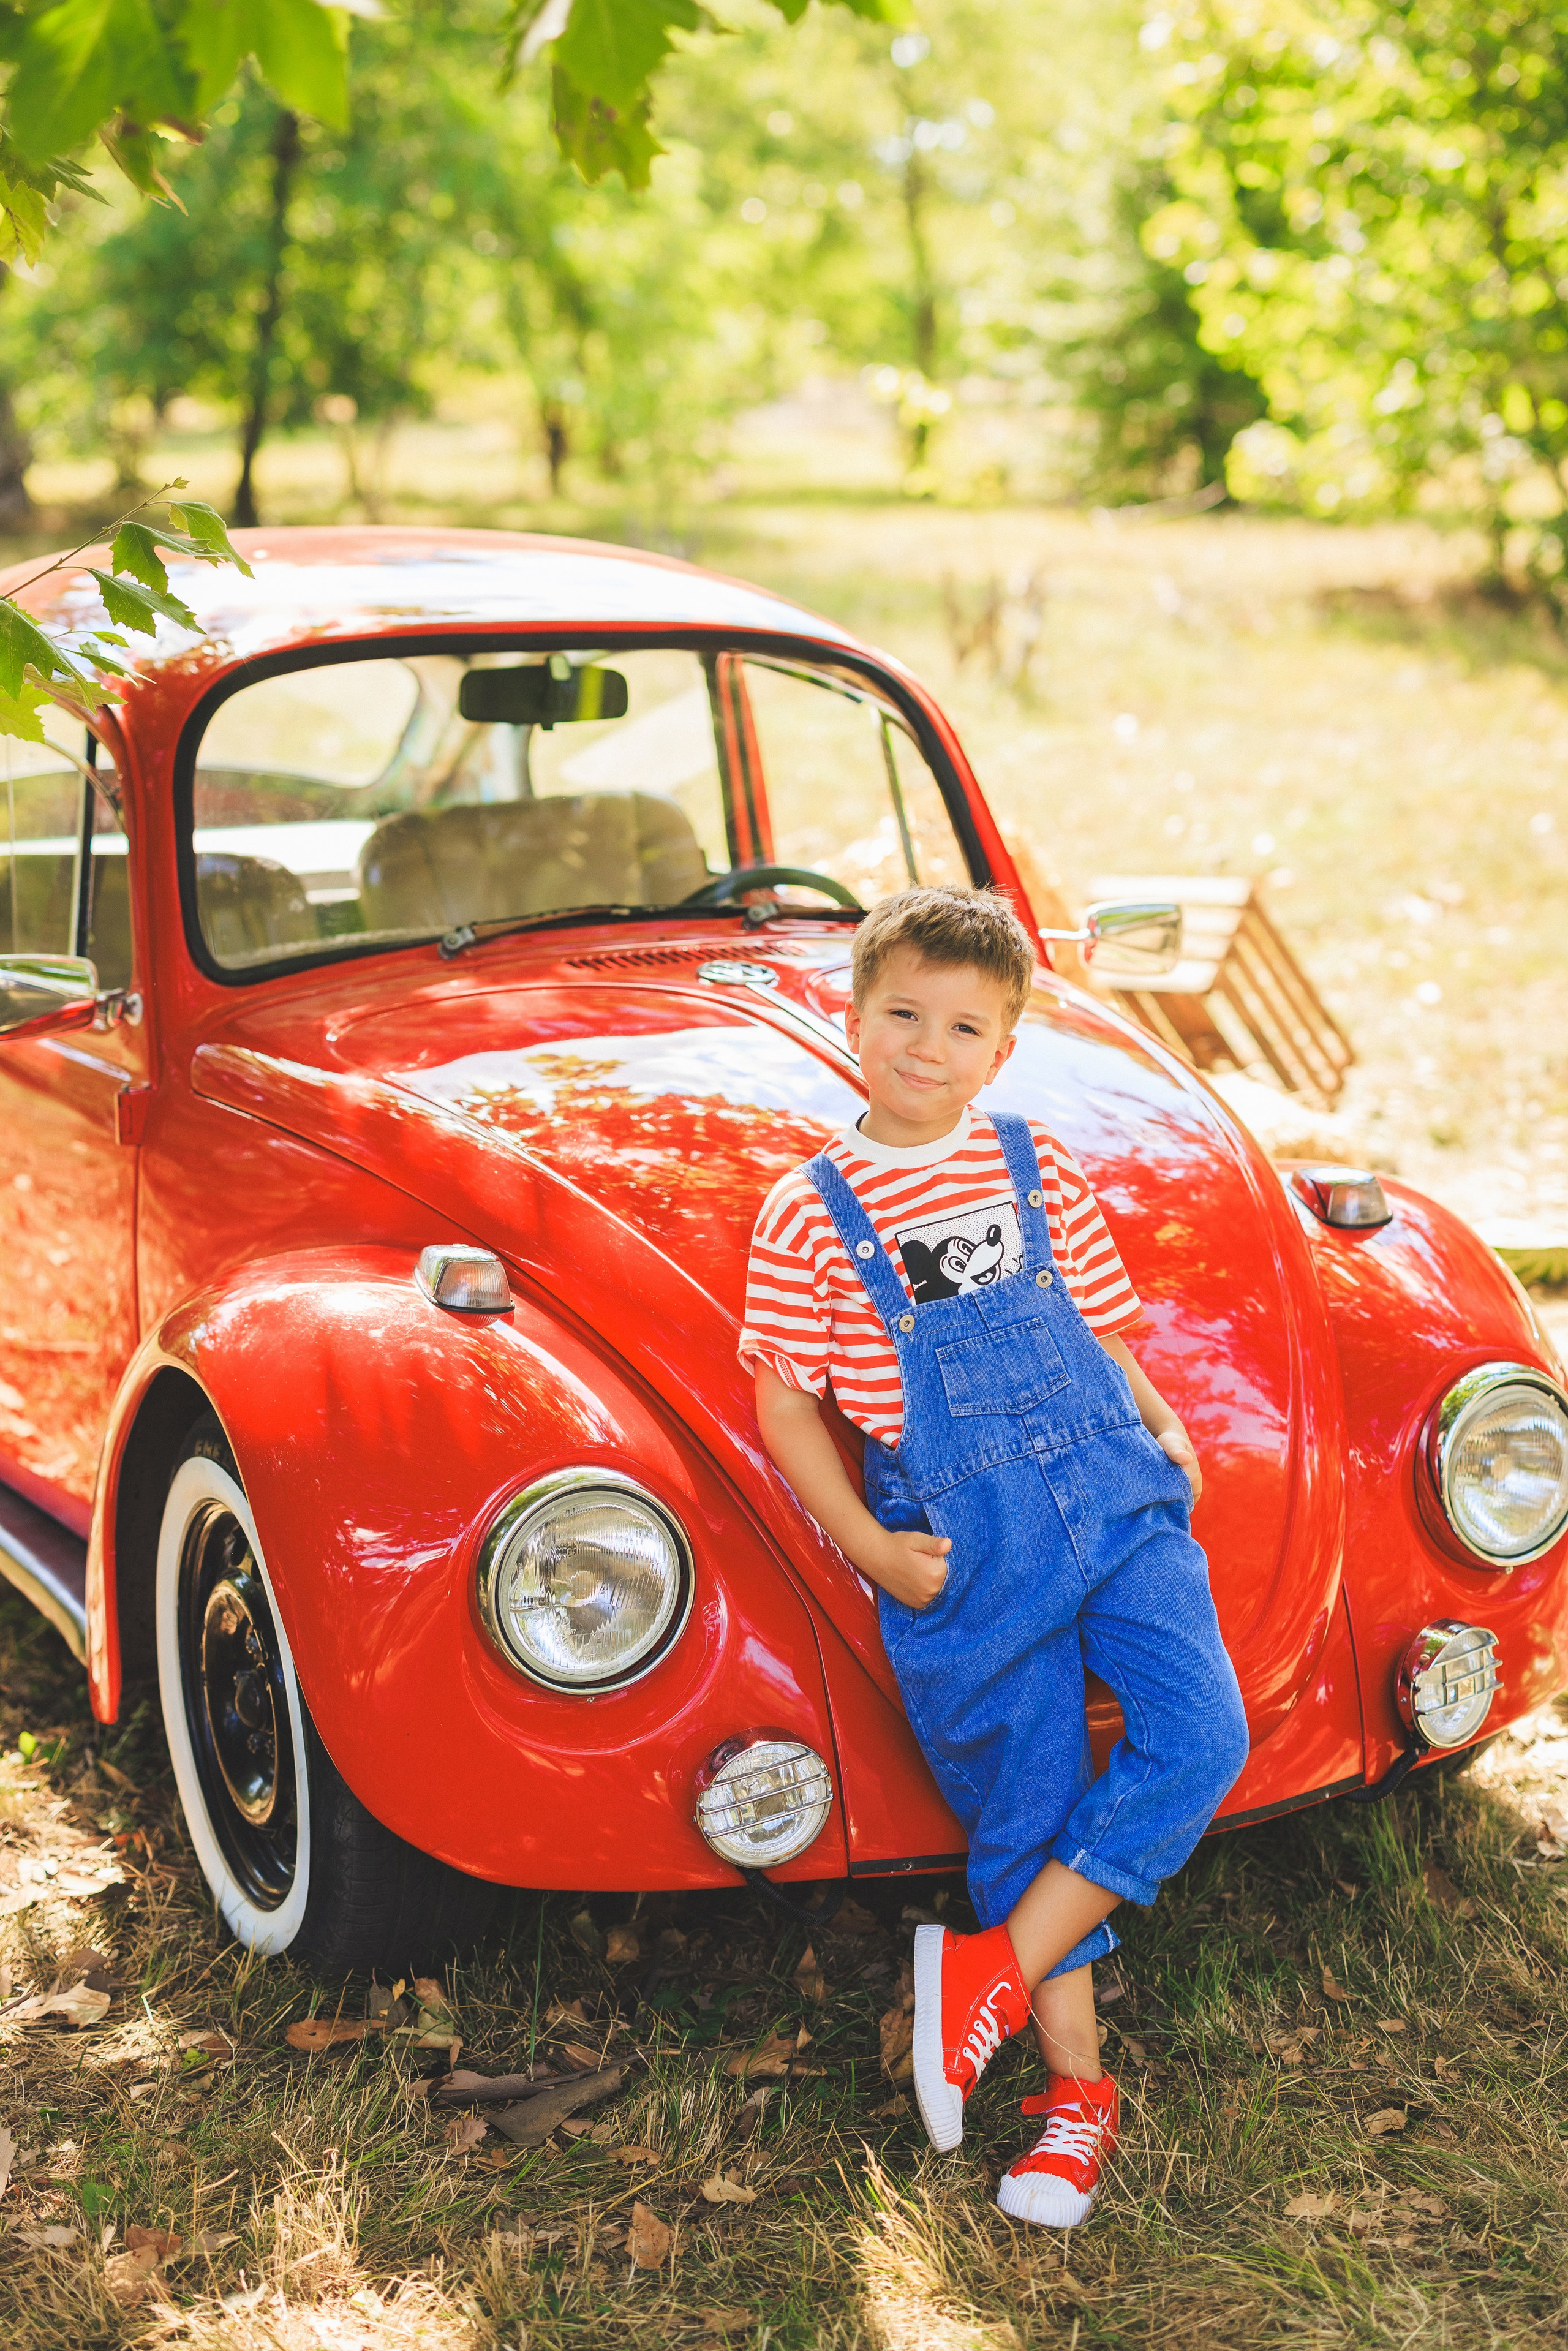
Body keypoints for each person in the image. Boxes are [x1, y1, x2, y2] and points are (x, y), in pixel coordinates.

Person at [741, 884, 1250, 2229]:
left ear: (1001, 1048)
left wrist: (1160, 1421)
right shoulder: (807, 1210)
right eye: (900, 1012)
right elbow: (785, 1399)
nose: (925, 1044)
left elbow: (1100, 1325)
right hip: (963, 1539)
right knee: (1022, 1802)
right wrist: (866, 1545)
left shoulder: (1031, 1161)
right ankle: (1075, 2094)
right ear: (848, 1016)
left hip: (1111, 1485)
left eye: (962, 1025)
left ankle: (984, 1974)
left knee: (1200, 1735)